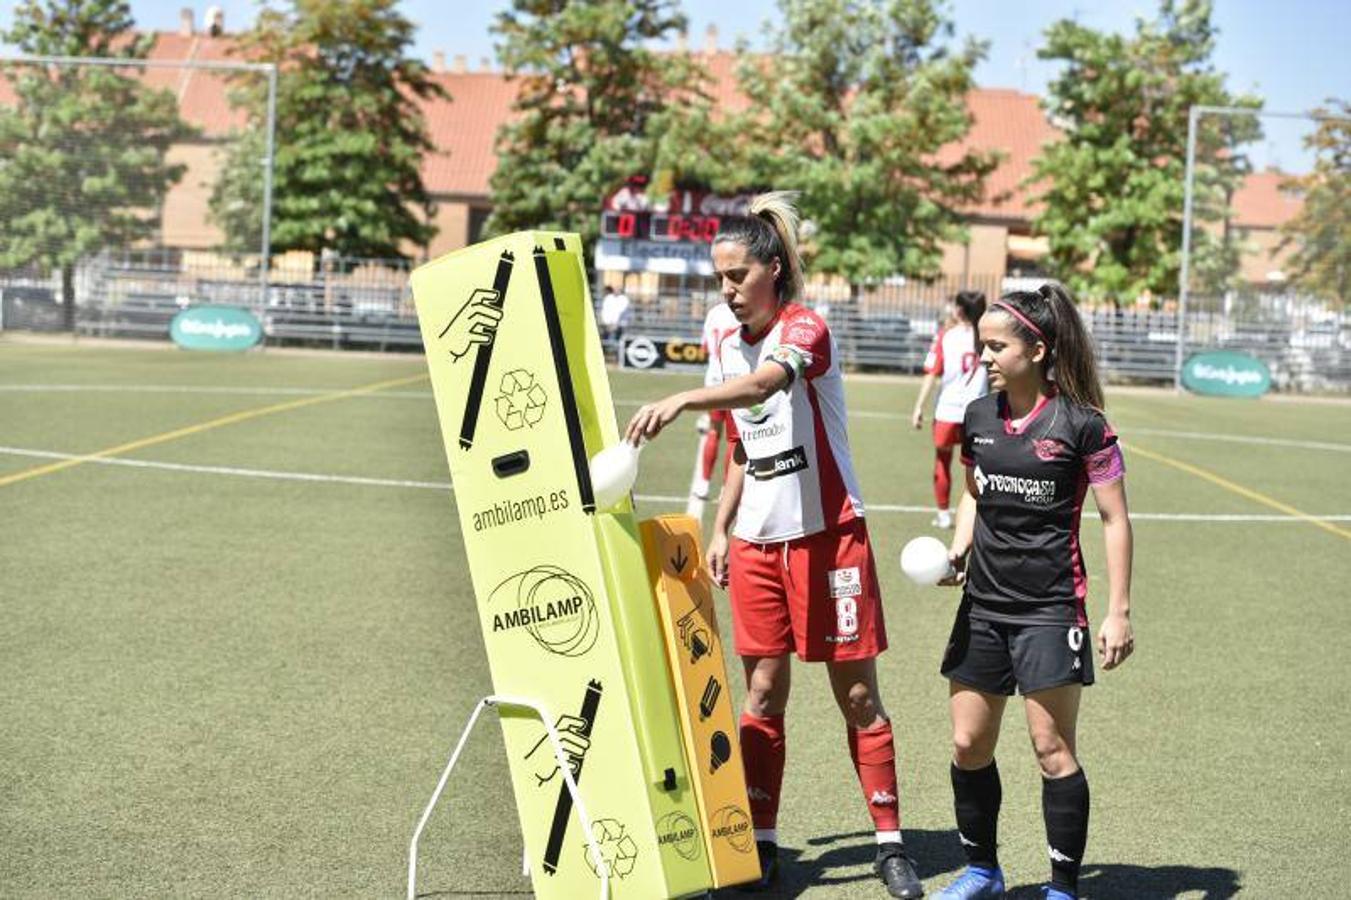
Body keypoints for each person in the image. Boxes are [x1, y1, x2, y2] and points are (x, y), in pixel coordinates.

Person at [625, 192, 922, 898]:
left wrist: (681, 401)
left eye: (736, 276)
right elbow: (741, 442)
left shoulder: (806, 327)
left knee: (856, 696)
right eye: (717, 278)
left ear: (773, 271)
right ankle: (760, 844)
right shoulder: (718, 332)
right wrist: (723, 527)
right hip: (758, 544)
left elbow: (764, 384)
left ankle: (889, 844)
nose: (725, 291)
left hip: (829, 540)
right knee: (761, 691)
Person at [932, 283, 1135, 900]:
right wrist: (959, 547)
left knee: (1052, 749)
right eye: (981, 346)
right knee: (968, 743)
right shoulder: (978, 416)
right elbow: (974, 490)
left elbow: (1114, 518)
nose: (985, 357)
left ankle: (1062, 888)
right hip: (983, 607)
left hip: (1050, 609)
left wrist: (1117, 610)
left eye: (996, 347)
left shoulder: (1085, 426)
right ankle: (982, 873)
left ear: (1038, 350)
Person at [911, 291, 989, 529]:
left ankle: (943, 515)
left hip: (948, 411)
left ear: (959, 310)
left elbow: (932, 373)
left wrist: (918, 407)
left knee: (943, 461)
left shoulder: (946, 336)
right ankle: (980, 515)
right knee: (977, 467)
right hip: (978, 413)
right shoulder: (987, 336)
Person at [685, 299, 741, 518]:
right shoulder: (744, 312)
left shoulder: (714, 313)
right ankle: (726, 488)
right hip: (736, 380)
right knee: (733, 439)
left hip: (714, 380)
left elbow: (705, 347)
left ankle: (703, 484)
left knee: (713, 431)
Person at [598, 283, 632, 350]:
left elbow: (621, 312)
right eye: (615, 289)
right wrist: (606, 322)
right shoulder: (608, 298)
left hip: (619, 324)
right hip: (607, 324)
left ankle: (617, 352)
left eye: (618, 289)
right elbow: (605, 310)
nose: (616, 291)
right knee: (604, 338)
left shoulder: (624, 299)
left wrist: (615, 323)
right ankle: (605, 351)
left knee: (618, 340)